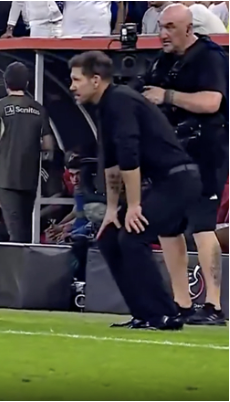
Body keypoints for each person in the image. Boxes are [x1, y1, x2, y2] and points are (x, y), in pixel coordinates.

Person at [70, 50, 201, 330]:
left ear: (96, 80)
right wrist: (112, 210)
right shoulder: (104, 107)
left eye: (76, 80)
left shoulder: (120, 100)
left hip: (179, 180)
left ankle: (164, 315)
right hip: (164, 182)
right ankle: (143, 313)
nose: (71, 86)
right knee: (109, 237)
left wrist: (134, 206)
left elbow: (129, 154)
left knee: (132, 237)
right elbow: (112, 162)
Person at [142, 3, 228, 325]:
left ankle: (214, 306)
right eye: (161, 27)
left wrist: (167, 97)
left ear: (189, 29)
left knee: (202, 226)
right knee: (168, 226)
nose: (163, 34)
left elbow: (212, 102)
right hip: (172, 155)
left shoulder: (210, 56)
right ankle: (181, 302)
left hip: (207, 152)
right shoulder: (162, 61)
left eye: (170, 28)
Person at [0, 62, 56, 244]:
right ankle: (25, 259)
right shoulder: (38, 108)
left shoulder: (0, 106)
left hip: (6, 178)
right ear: (27, 83)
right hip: (29, 178)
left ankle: (19, 262)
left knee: (15, 230)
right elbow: (48, 145)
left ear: (5, 82)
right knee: (24, 226)